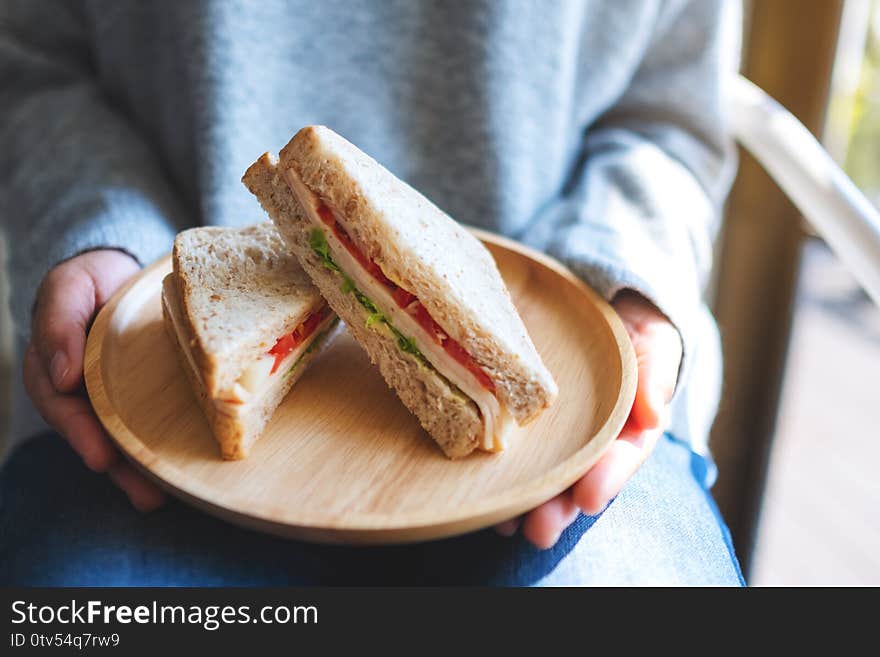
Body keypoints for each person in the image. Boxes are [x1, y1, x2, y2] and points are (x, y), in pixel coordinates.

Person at [0, 0, 743, 585]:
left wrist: (633, 275)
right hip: (140, 397)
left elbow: (666, 123)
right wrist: (99, 230)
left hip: (580, 393)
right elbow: (35, 66)